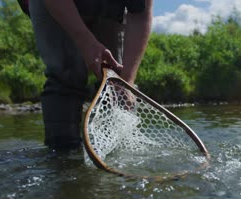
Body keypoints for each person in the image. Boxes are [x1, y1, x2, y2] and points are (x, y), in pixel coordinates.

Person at [22, 0, 153, 149]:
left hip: (110, 8)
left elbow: (140, 14)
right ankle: (61, 154)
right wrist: (84, 41)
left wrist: (127, 81)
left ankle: (114, 148)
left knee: (117, 83)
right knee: (68, 73)